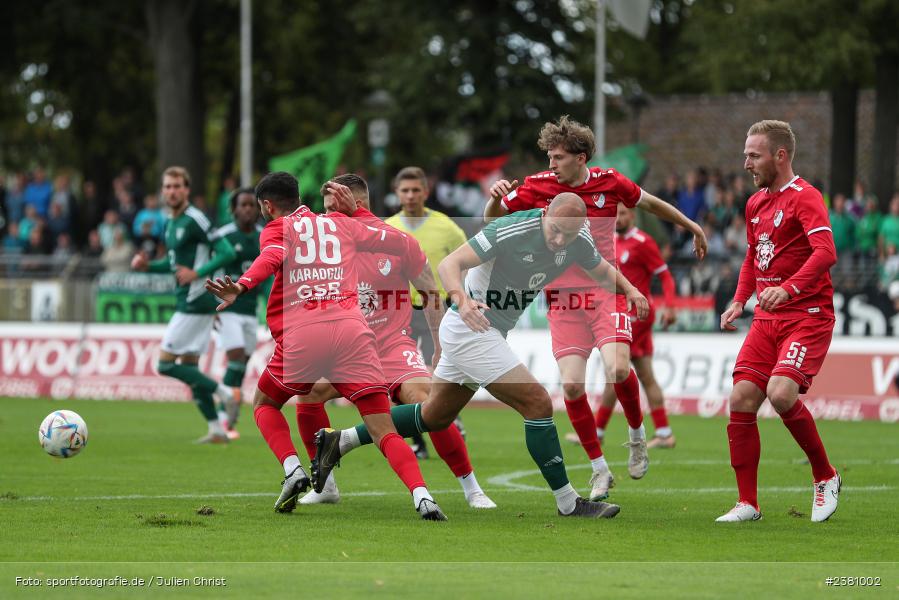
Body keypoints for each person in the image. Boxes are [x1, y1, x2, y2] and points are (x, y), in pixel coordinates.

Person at [313, 193, 650, 518]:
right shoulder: (512, 229)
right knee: (538, 403)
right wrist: (461, 299)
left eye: (569, 234)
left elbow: (602, 270)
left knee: (434, 416)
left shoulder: (578, 236)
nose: (560, 240)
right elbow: (450, 264)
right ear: (546, 214)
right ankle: (568, 503)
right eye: (556, 230)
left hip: (484, 331)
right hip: (470, 328)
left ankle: (339, 441)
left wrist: (632, 291)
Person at [484, 115, 707, 501]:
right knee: (571, 386)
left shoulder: (610, 181)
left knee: (619, 368)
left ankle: (637, 436)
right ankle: (599, 469)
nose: (550, 164)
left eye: (557, 157)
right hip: (563, 300)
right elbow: (491, 223)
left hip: (607, 293)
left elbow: (651, 204)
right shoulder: (538, 186)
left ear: (580, 156)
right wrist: (493, 197)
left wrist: (693, 226)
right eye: (549, 157)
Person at [205, 172, 445, 520]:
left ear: (267, 206)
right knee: (382, 429)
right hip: (353, 333)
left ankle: (294, 470)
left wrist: (241, 286)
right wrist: (359, 214)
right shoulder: (339, 224)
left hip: (304, 334)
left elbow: (270, 258)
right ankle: (422, 496)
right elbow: (403, 244)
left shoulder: (277, 229)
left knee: (264, 403)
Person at [294, 174, 494, 508]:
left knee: (428, 401)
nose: (326, 217)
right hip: (344, 349)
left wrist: (440, 350)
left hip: (391, 345)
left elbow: (431, 294)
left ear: (356, 204)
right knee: (308, 392)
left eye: (333, 208)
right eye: (323, 209)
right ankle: (326, 485)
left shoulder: (396, 241)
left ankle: (472, 487)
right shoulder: (325, 248)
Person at [718, 120, 841, 523]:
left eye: (754, 155)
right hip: (766, 320)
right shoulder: (755, 203)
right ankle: (748, 504)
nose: (746, 163)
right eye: (746, 154)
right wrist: (739, 300)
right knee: (740, 399)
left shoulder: (805, 197)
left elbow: (825, 253)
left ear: (780, 156)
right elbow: (754, 257)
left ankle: (825, 476)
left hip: (806, 316)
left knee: (782, 393)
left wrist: (788, 289)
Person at [131, 166, 239, 444]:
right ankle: (216, 429)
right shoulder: (170, 222)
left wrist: (198, 274)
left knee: (165, 365)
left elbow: (226, 251)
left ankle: (225, 394)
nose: (171, 191)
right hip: (190, 300)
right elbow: (172, 267)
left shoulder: (195, 218)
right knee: (190, 367)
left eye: (177, 186)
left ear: (186, 189)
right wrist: (146, 266)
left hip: (195, 299)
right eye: (167, 186)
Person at [569, 205, 679, 452]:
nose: (619, 218)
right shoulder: (608, 242)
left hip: (635, 315)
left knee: (615, 373)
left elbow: (665, 276)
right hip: (619, 312)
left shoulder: (643, 242)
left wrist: (670, 306)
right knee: (644, 374)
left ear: (633, 215)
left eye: (625, 214)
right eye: (615, 214)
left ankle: (597, 431)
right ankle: (664, 432)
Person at [385, 166, 469, 459]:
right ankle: (417, 439)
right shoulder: (388, 227)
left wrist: (461, 294)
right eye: (404, 190)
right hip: (400, 312)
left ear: (425, 192)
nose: (410, 195)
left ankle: (448, 415)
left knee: (442, 370)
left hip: (438, 309)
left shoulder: (446, 226)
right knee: (400, 376)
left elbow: (467, 259)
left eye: (415, 190)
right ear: (396, 193)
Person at [211, 187, 268, 439]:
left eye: (251, 205)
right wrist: (208, 305)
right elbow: (208, 270)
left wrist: (269, 306)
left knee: (242, 364)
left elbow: (267, 275)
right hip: (227, 309)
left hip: (249, 311)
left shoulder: (262, 236)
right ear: (233, 209)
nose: (247, 209)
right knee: (235, 360)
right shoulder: (223, 236)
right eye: (242, 205)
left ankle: (229, 412)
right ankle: (224, 416)